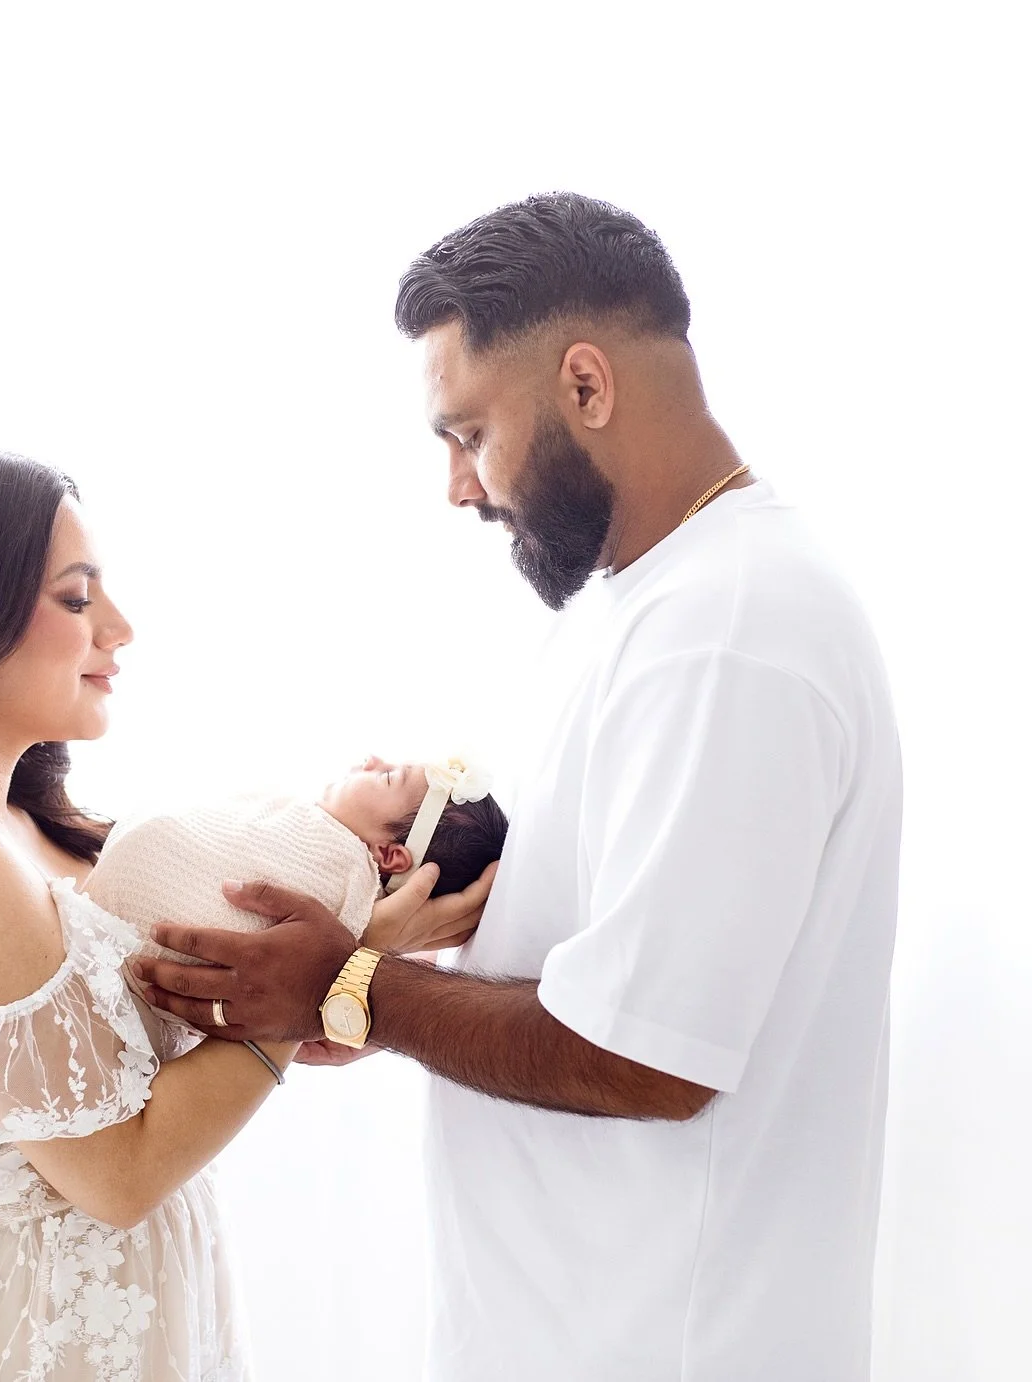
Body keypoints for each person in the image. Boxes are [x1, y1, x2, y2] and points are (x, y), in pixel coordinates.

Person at [134, 193, 903, 1381]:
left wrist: (353, 987)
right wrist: (390, 941)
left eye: (468, 432)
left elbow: (647, 1052)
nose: (458, 486)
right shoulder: (643, 604)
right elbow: (607, 941)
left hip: (665, 1344)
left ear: (585, 383)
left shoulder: (727, 631)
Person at [0, 445, 491, 1382]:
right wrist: (335, 980)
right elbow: (119, 1172)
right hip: (15, 1343)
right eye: (75, 599)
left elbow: (157, 1061)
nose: (121, 628)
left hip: (125, 1321)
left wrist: (336, 997)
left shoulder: (32, 831)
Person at [87, 758, 507, 1055]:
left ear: (389, 854)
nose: (371, 760)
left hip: (116, 962)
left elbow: (323, 968)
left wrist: (360, 952)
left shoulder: (348, 881)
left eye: (387, 777)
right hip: (105, 948)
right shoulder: (295, 822)